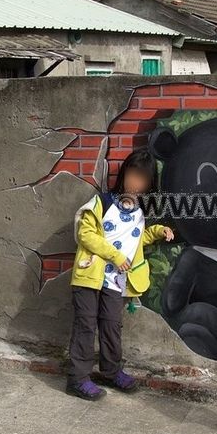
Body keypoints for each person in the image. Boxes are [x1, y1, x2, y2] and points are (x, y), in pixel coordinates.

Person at [66, 150, 174, 401]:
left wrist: (158, 231)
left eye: (143, 179)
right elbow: (85, 234)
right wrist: (115, 256)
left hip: (116, 282)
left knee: (112, 327)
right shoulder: (101, 203)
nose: (136, 183)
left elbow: (135, 242)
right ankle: (77, 379)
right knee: (85, 325)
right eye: (134, 175)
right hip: (89, 276)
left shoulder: (140, 213)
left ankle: (111, 372)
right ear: (124, 174)